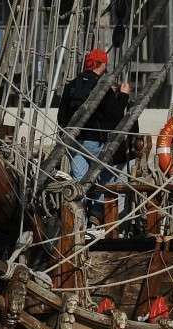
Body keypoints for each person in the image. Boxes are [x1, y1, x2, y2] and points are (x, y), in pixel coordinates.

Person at [57, 48, 131, 227]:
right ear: (102, 64)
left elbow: (61, 117)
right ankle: (97, 214)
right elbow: (115, 116)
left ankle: (78, 222)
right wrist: (123, 95)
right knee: (107, 177)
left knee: (81, 181)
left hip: (74, 143)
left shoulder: (72, 85)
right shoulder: (102, 87)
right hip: (96, 142)